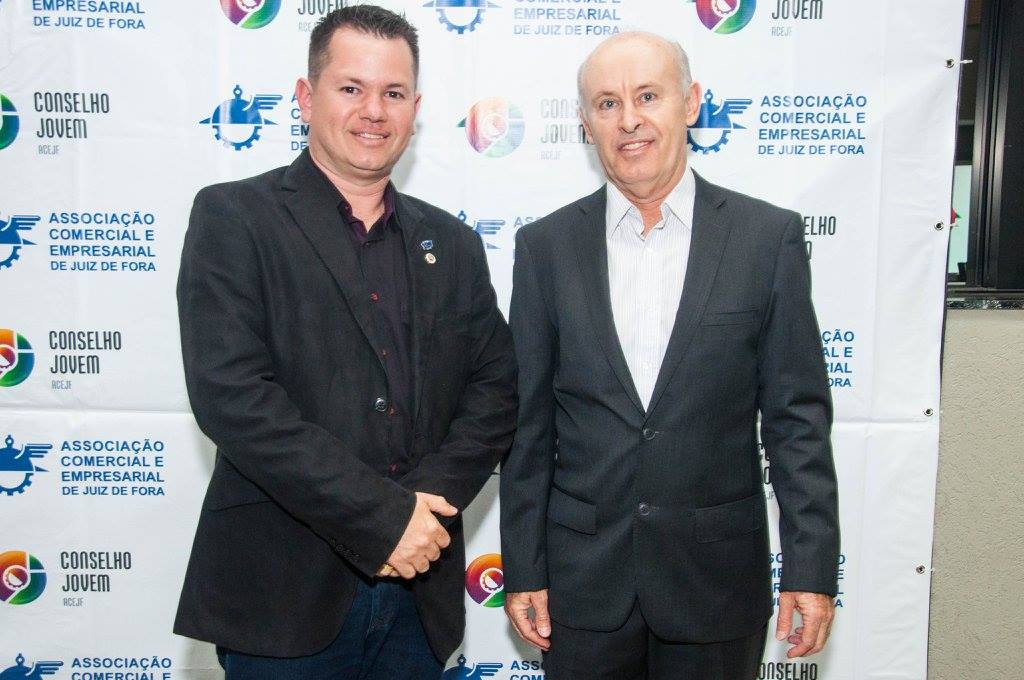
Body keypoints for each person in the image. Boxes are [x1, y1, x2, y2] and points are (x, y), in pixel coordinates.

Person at [173, 6, 517, 678]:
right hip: (282, 600)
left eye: (393, 93)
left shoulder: (451, 243)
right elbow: (233, 398)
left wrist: (422, 513)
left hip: (418, 596)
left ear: (416, 110)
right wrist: (384, 519)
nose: (373, 111)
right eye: (351, 88)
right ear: (306, 98)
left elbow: (495, 389)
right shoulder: (234, 217)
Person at [500, 32, 839, 680]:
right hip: (582, 587)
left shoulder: (766, 239)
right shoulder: (545, 248)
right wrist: (524, 568)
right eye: (607, 103)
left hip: (715, 585)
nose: (628, 119)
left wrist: (811, 568)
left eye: (648, 96)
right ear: (586, 124)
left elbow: (797, 421)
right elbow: (527, 427)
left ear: (691, 103)